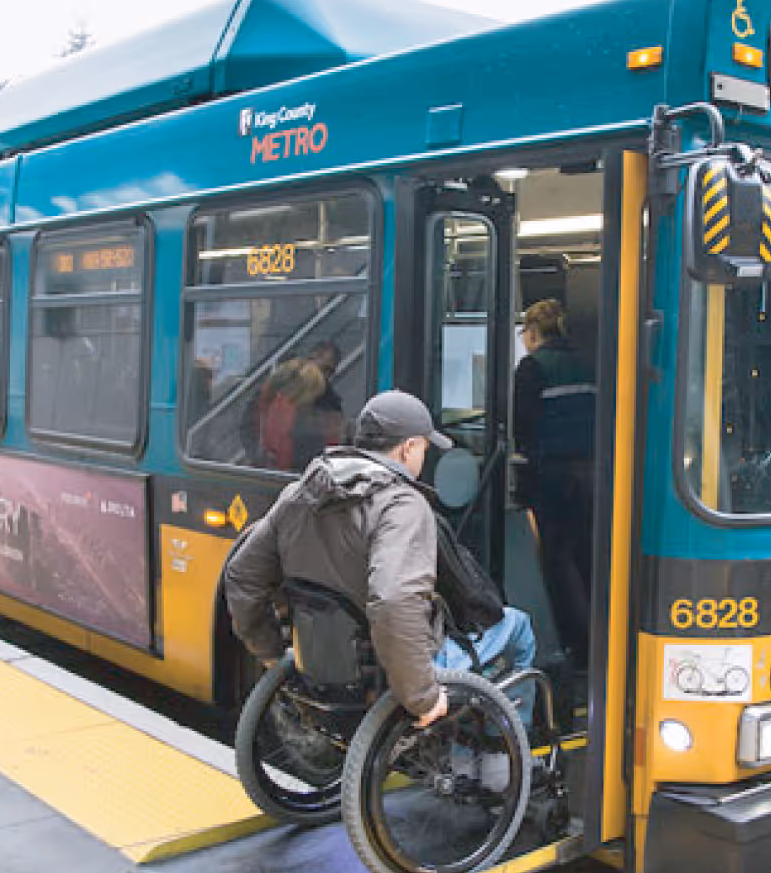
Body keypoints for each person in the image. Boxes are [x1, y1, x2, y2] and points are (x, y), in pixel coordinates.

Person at [225, 390, 535, 727]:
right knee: (517, 627)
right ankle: (493, 761)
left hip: (321, 663)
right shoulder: (401, 505)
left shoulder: (298, 494)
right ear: (408, 448)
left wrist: (271, 651)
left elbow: (242, 575)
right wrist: (423, 698)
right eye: (425, 449)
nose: (424, 459)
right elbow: (393, 602)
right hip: (389, 672)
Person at [512, 299, 596, 666]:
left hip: (554, 478)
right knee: (586, 556)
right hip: (594, 474)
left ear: (531, 333)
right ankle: (598, 636)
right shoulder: (589, 363)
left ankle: (574, 642)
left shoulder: (532, 368)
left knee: (557, 560)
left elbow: (521, 428)